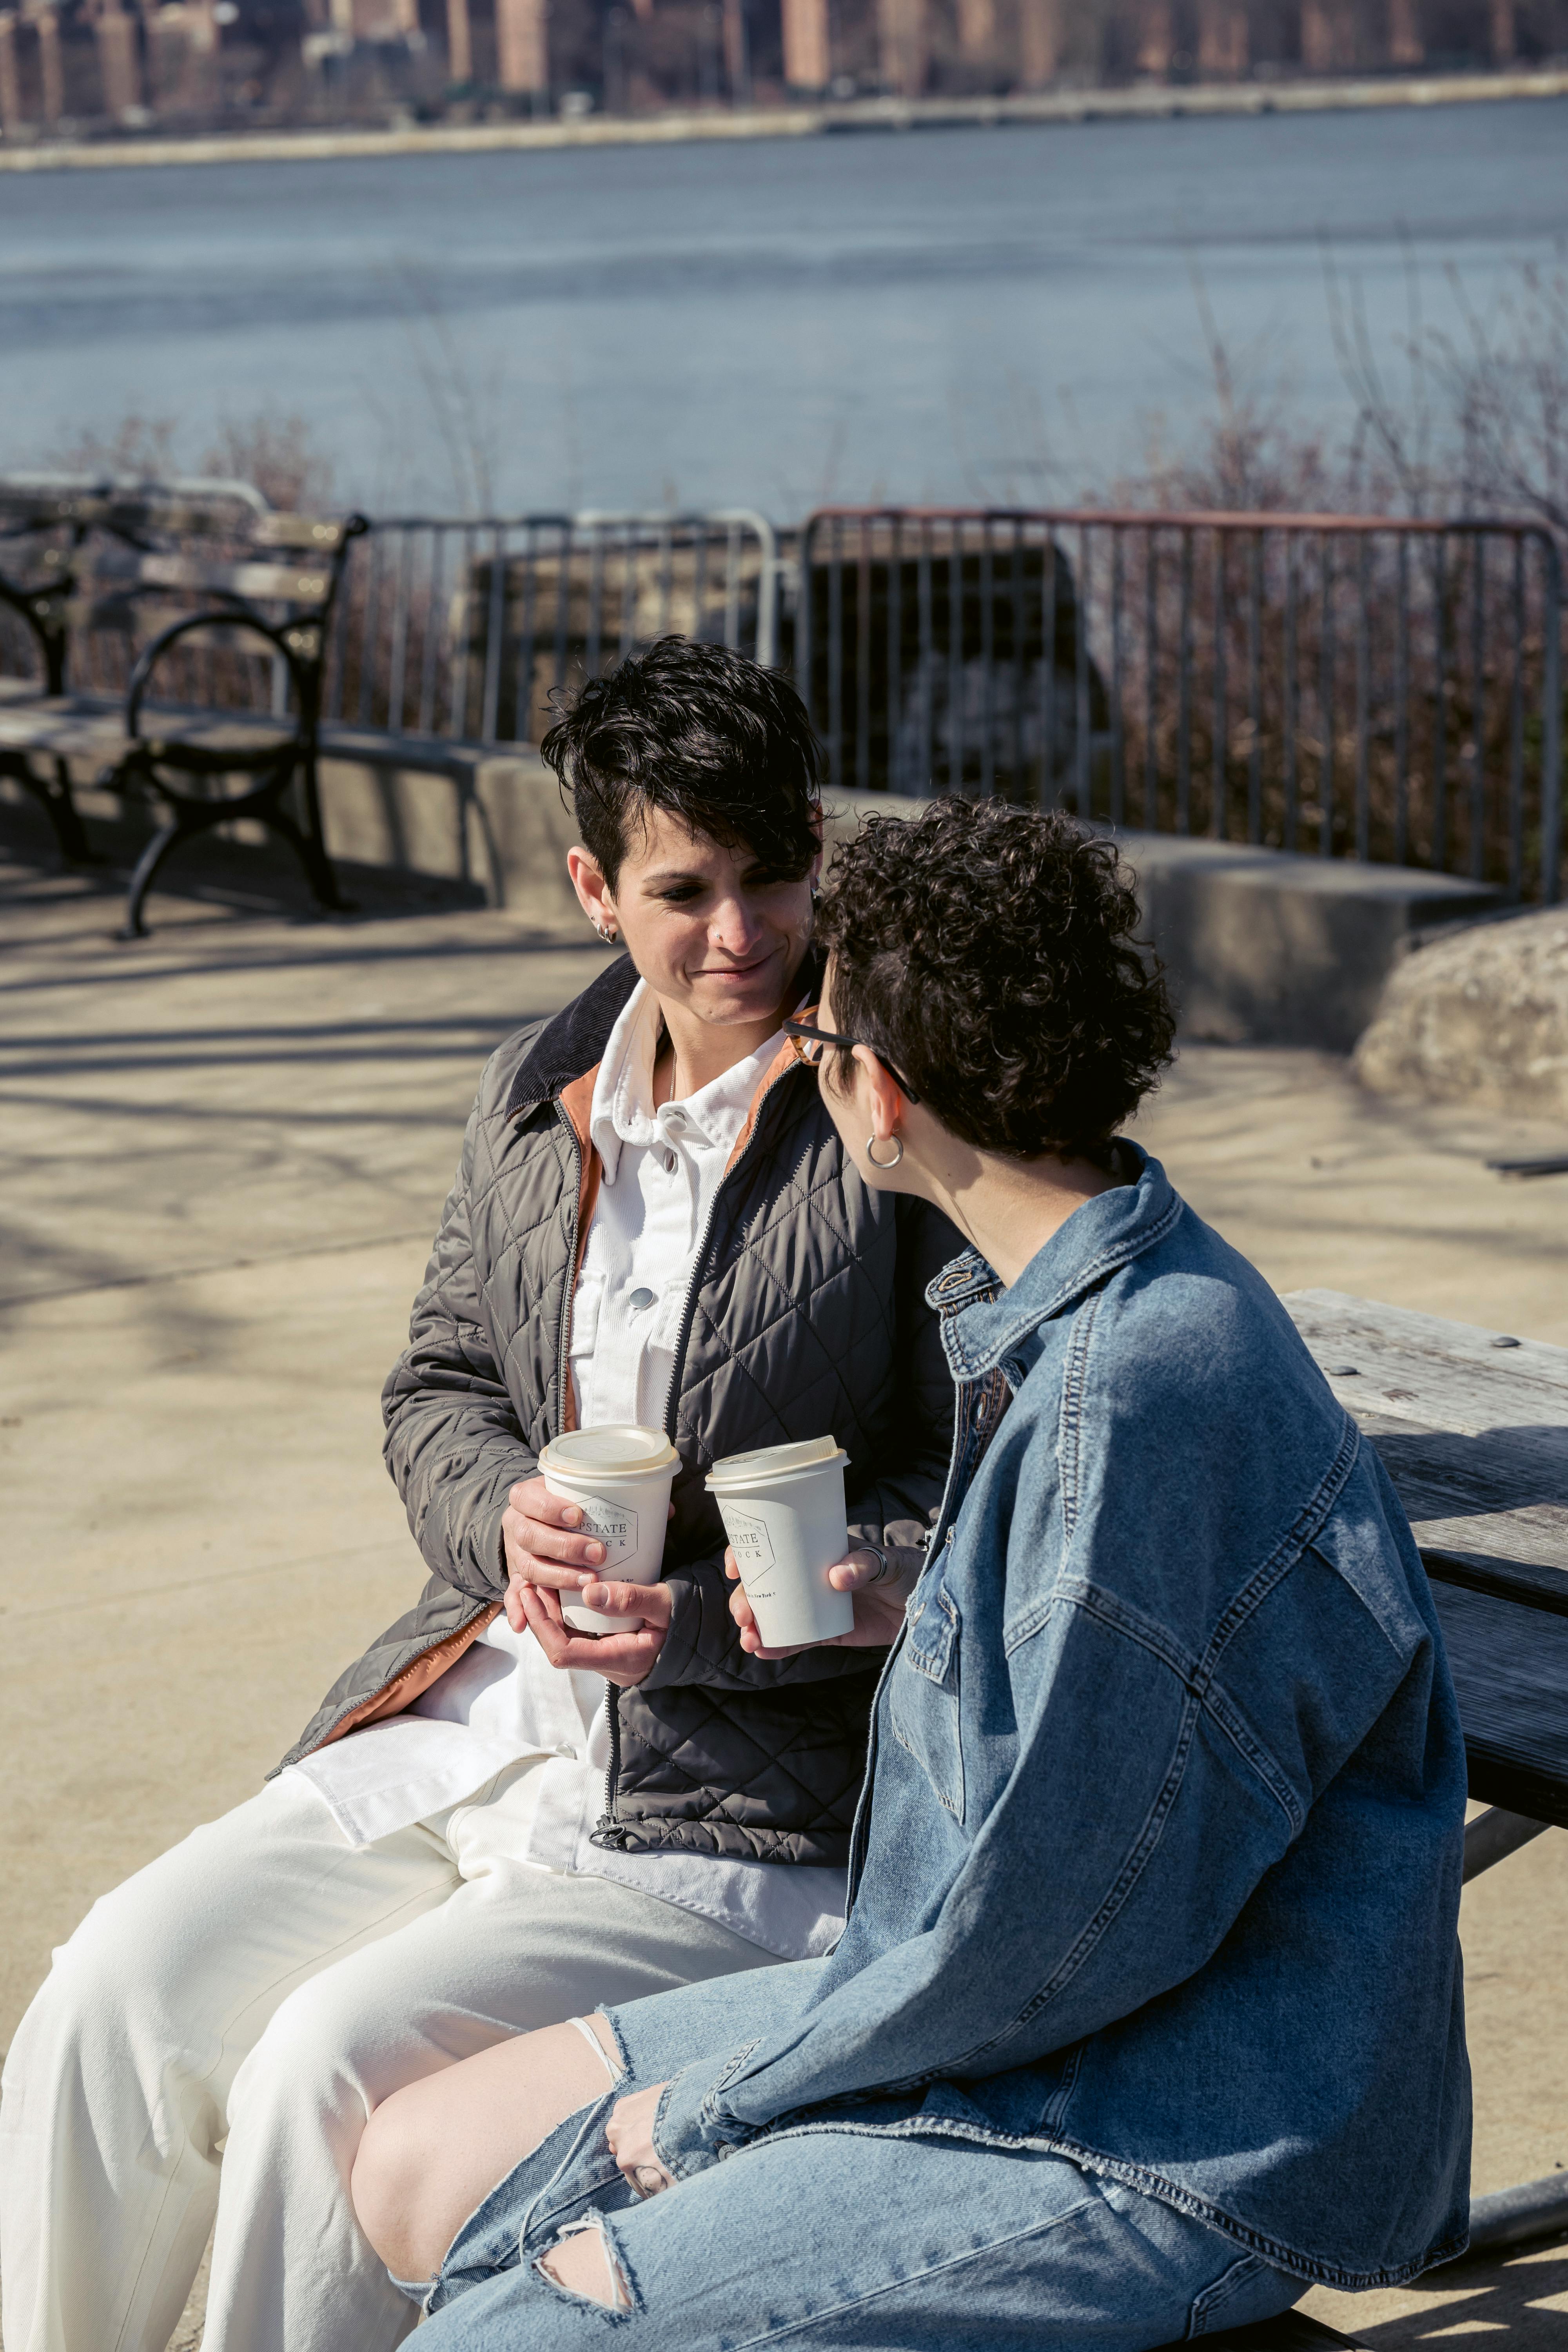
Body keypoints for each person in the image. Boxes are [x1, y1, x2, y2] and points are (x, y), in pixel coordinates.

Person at [348, 796, 1471, 2352]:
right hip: (1023, 2001)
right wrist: (915, 1587)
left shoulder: (1131, 1396)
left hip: (1171, 2115)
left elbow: (1063, 1935)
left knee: (515, 2319)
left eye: (812, 1041)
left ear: (873, 1087)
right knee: (414, 2166)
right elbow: (1108, 1682)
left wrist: (721, 2109)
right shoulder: (1095, 1299)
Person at [0, 642, 956, 2352]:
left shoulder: (891, 1116)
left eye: (771, 878)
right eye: (682, 890)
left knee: (323, 2075)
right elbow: (440, 1383)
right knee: (111, 2001)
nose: (738, 933)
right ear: (593, 886)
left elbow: (990, 1478)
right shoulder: (536, 1094)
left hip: (729, 1810)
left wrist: (749, 1605)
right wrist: (499, 1509)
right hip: (475, 1722)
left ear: (818, 843)